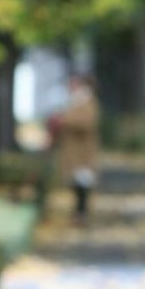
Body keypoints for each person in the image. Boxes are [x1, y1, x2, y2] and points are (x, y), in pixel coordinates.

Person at [48, 73, 100, 220]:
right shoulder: (76, 101)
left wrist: (64, 121)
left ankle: (81, 211)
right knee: (77, 180)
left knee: (82, 179)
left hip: (82, 149)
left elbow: (87, 122)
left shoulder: (86, 101)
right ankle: (79, 211)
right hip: (74, 148)